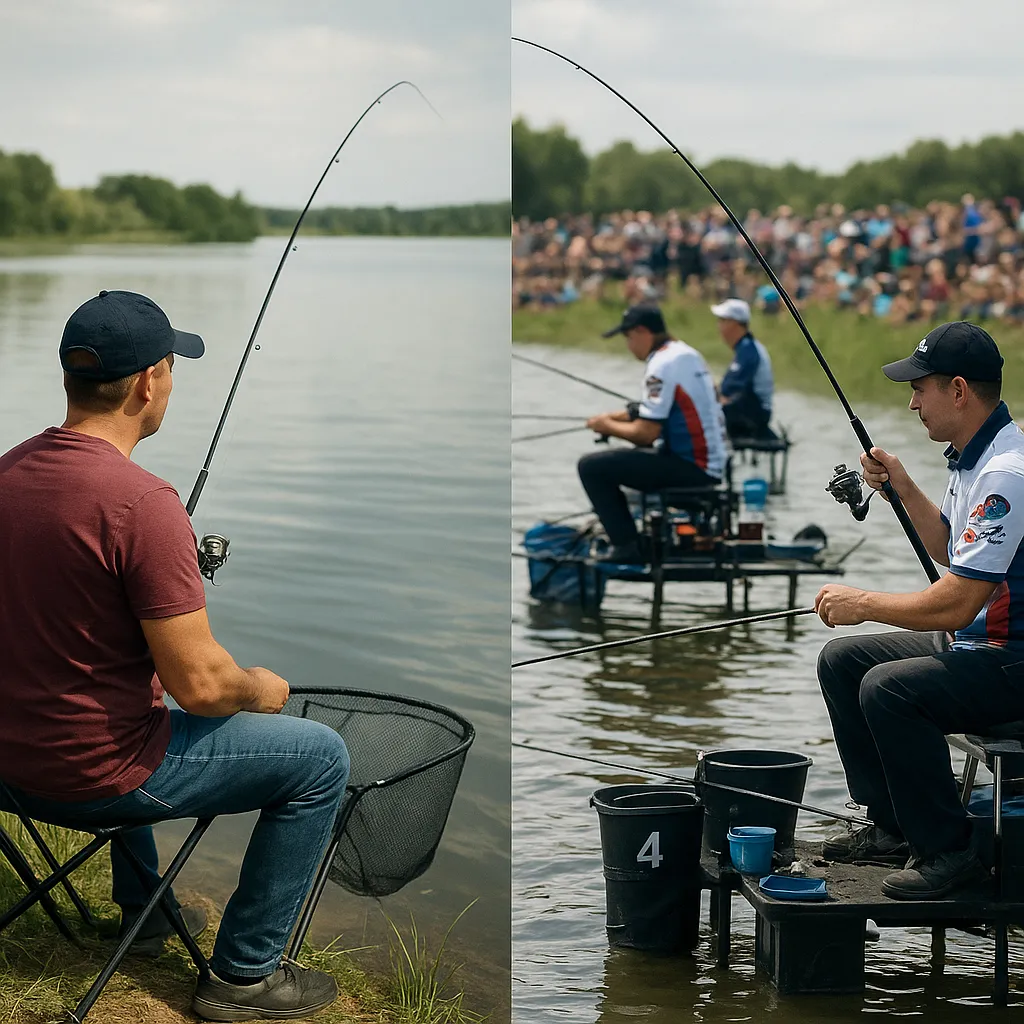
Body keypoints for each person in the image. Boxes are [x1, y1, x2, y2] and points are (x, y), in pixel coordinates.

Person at [0, 290, 350, 1021]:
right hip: (90, 776)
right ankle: (244, 979)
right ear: (150, 382)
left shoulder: (7, 473)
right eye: (170, 368)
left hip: (8, 768)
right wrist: (264, 689)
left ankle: (147, 915)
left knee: (133, 708)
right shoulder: (143, 503)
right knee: (319, 758)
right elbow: (204, 688)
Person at [814, 320, 1024, 899]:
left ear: (958, 391)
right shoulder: (972, 459)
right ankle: (891, 826)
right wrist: (900, 486)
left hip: (1012, 659)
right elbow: (951, 547)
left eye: (920, 388)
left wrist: (864, 603)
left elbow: (956, 603)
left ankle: (950, 852)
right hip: (981, 646)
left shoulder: (1008, 473)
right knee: (842, 662)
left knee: (890, 688)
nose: (911, 403)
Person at [578, 303, 727, 564]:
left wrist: (606, 426)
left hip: (692, 467)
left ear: (642, 332)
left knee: (591, 467)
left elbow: (645, 433)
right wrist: (611, 417)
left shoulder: (660, 365)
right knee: (626, 459)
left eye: (628, 337)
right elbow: (654, 411)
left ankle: (626, 546)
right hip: (712, 464)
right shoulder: (686, 354)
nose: (628, 345)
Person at [711, 297, 776, 441]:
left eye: (722, 321)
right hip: (750, 407)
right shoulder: (746, 347)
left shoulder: (748, 349)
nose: (719, 326)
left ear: (735, 324)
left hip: (754, 412)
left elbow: (730, 389)